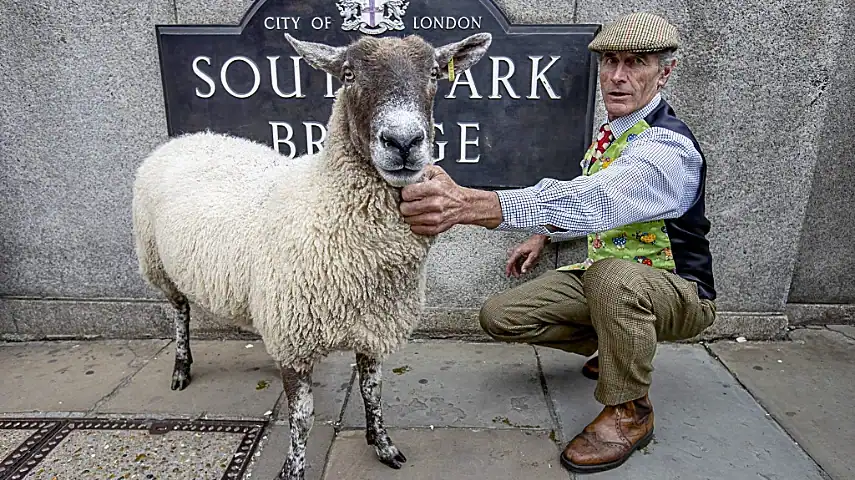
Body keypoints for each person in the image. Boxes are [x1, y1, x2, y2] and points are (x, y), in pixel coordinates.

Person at [398, 11, 717, 474]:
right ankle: (617, 347)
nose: (618, 76)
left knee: (612, 277)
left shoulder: (667, 150)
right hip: (610, 278)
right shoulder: (612, 135)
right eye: (610, 62)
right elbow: (590, 199)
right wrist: (544, 234)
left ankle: (630, 412)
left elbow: (601, 200)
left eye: (637, 63)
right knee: (500, 316)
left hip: (678, 290)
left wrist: (472, 205)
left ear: (664, 72)